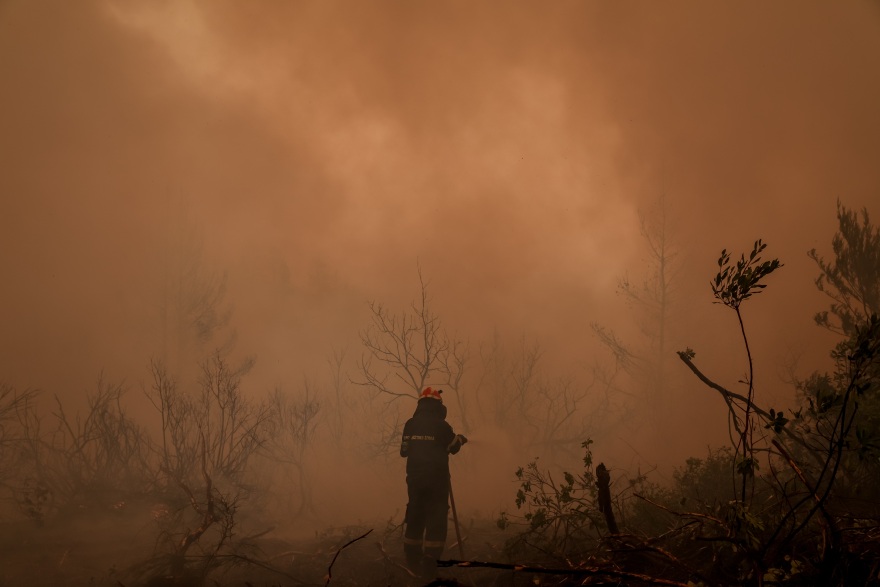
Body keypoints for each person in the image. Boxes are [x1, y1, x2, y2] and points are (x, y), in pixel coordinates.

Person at [399, 387, 467, 579]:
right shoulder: (441, 425)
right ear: (438, 406)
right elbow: (453, 447)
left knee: (415, 514)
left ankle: (412, 561)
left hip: (414, 480)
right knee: (436, 517)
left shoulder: (410, 424)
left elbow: (404, 451)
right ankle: (430, 562)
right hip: (437, 480)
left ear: (420, 405)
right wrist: (460, 439)